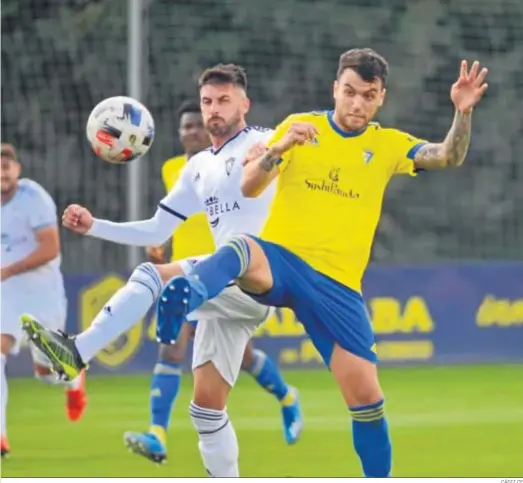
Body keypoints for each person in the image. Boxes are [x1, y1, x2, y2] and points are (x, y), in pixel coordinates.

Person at [153, 50, 488, 477]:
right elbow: (251, 185)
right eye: (349, 92)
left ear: (380, 98)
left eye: (368, 95)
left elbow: (447, 156)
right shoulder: (299, 126)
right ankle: (189, 293)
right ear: (335, 89)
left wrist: (462, 113)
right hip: (283, 260)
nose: (356, 104)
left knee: (368, 401)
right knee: (243, 250)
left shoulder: (386, 145)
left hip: (337, 287)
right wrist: (281, 147)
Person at [20, 64, 303, 476]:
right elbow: (156, 229)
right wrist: (94, 225)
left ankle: (77, 352)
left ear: (245, 103)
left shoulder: (264, 140)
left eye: (224, 100)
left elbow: (299, 158)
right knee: (206, 412)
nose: (214, 110)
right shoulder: (197, 167)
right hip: (224, 288)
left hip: (255, 272)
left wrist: (282, 151)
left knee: (151, 276)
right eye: (208, 102)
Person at [123, 100, 299, 464]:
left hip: (230, 272)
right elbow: (175, 216)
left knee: (246, 358)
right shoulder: (174, 169)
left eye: (195, 126)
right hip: (188, 272)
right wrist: (161, 250)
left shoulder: (236, 160)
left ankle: (286, 397)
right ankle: (157, 435)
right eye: (184, 128)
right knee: (170, 348)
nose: (190, 132)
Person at [0, 143, 87, 457]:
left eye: (8, 165)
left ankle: (74, 382)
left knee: (47, 373)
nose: (3, 170)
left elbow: (51, 249)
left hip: (40, 292)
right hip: (5, 292)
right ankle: (1, 436)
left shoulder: (33, 198)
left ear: (18, 171)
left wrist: (9, 269)